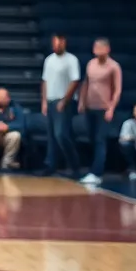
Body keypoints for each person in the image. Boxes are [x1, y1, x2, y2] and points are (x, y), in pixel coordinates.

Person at [78, 38, 122, 184]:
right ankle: (93, 169)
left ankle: (97, 173)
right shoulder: (91, 64)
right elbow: (86, 83)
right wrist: (81, 101)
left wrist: (111, 108)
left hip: (104, 109)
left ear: (107, 49)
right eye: (96, 48)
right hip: (90, 107)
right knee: (92, 139)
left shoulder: (114, 66)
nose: (97, 50)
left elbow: (117, 90)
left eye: (100, 48)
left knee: (100, 140)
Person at [40, 34, 81, 176]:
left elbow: (75, 81)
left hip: (64, 101)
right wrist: (44, 101)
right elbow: (44, 81)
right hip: (51, 100)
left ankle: (75, 165)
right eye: (54, 44)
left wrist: (65, 100)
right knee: (51, 136)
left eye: (59, 43)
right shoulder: (49, 60)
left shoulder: (71, 60)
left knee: (61, 134)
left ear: (64, 43)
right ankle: (50, 165)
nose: (56, 46)